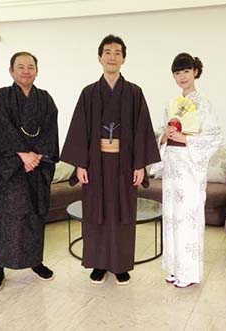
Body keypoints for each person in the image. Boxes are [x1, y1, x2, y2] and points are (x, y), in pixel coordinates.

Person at [61, 34, 160, 285]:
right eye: (107, 52)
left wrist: (140, 165)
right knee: (96, 213)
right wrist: (80, 164)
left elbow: (143, 130)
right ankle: (98, 263)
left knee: (123, 212)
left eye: (117, 52)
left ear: (123, 58)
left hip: (125, 165)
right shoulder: (89, 93)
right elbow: (79, 129)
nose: (112, 57)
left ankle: (121, 265)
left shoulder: (134, 93)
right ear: (99, 57)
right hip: (96, 164)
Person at [0, 51, 59, 292]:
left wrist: (36, 157)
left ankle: (35, 261)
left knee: (35, 216)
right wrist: (21, 155)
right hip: (11, 169)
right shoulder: (2, 97)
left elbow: (50, 130)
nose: (26, 71)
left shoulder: (45, 99)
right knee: (8, 218)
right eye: (21, 66)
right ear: (11, 71)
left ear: (37, 70)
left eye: (30, 66)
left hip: (36, 168)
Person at [158, 53, 222, 288]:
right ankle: (174, 267)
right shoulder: (171, 104)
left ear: (195, 71)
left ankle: (189, 272)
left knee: (188, 218)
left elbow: (215, 136)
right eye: (177, 73)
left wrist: (185, 139)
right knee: (172, 216)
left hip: (190, 165)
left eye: (185, 71)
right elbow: (161, 134)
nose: (181, 77)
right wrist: (166, 135)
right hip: (172, 165)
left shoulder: (204, 104)